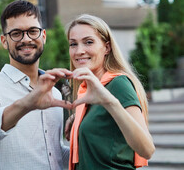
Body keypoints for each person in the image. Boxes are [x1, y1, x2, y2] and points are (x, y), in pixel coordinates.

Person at [0, 0, 73, 170]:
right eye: (16, 33)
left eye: (32, 31)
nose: (26, 39)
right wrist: (26, 104)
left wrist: (86, 133)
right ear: (4, 41)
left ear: (43, 36)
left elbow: (52, 155)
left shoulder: (54, 93)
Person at [65, 14, 155, 170]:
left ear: (106, 47)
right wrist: (79, 116)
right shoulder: (87, 91)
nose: (79, 51)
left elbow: (147, 149)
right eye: (73, 44)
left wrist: (109, 101)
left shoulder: (118, 84)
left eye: (88, 42)